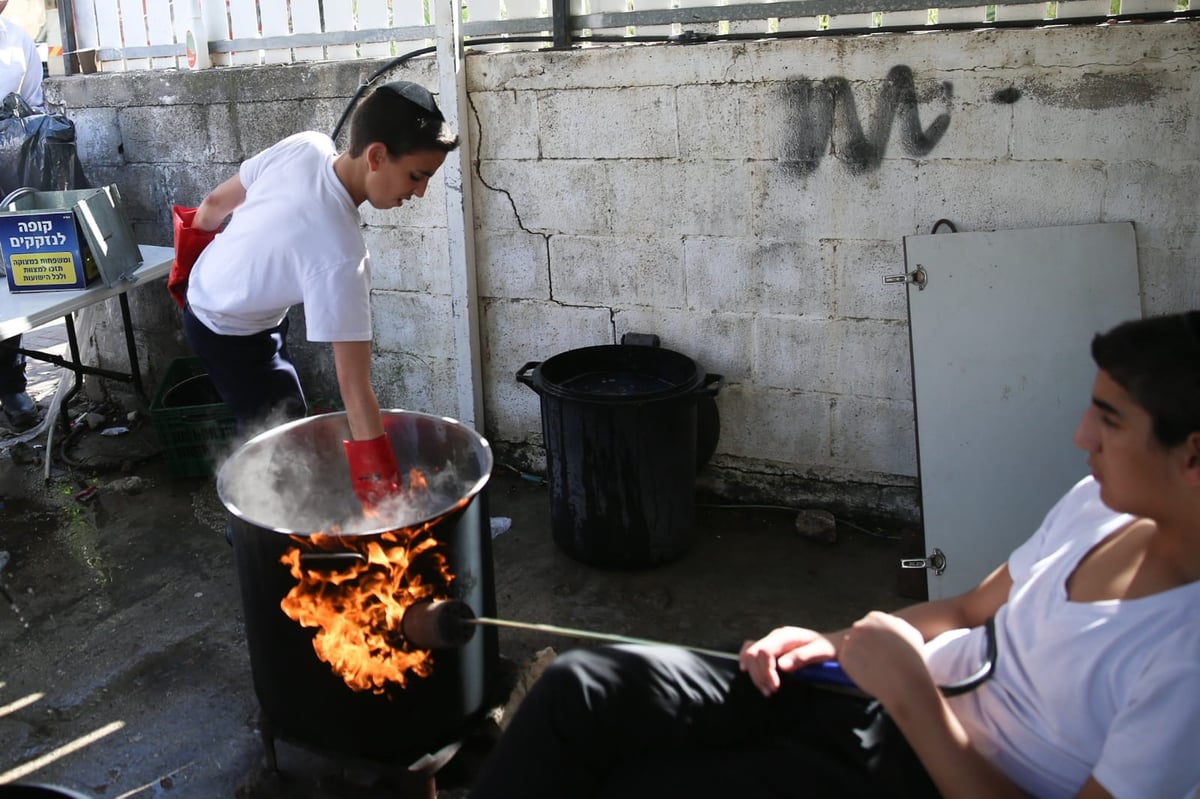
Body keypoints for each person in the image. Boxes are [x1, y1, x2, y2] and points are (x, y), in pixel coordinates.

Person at [468, 311, 1200, 799]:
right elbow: (970, 607)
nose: (1081, 436)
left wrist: (913, 699)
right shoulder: (1098, 504)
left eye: (1108, 419)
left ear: (1192, 454)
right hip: (871, 696)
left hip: (922, 767)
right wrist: (832, 643)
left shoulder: (1185, 654)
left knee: (638, 781)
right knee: (584, 689)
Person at [176, 81, 459, 506]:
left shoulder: (305, 146)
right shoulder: (341, 256)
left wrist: (187, 270)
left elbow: (214, 204)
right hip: (229, 330)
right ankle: (259, 533)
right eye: (417, 176)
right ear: (377, 155)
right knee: (280, 441)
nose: (419, 192)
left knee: (282, 413)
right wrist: (383, 494)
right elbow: (354, 385)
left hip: (206, 287)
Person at [0, 0, 44, 430]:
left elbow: (33, 105)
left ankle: (10, 385)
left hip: (7, 165)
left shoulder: (16, 39)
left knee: (10, 277)